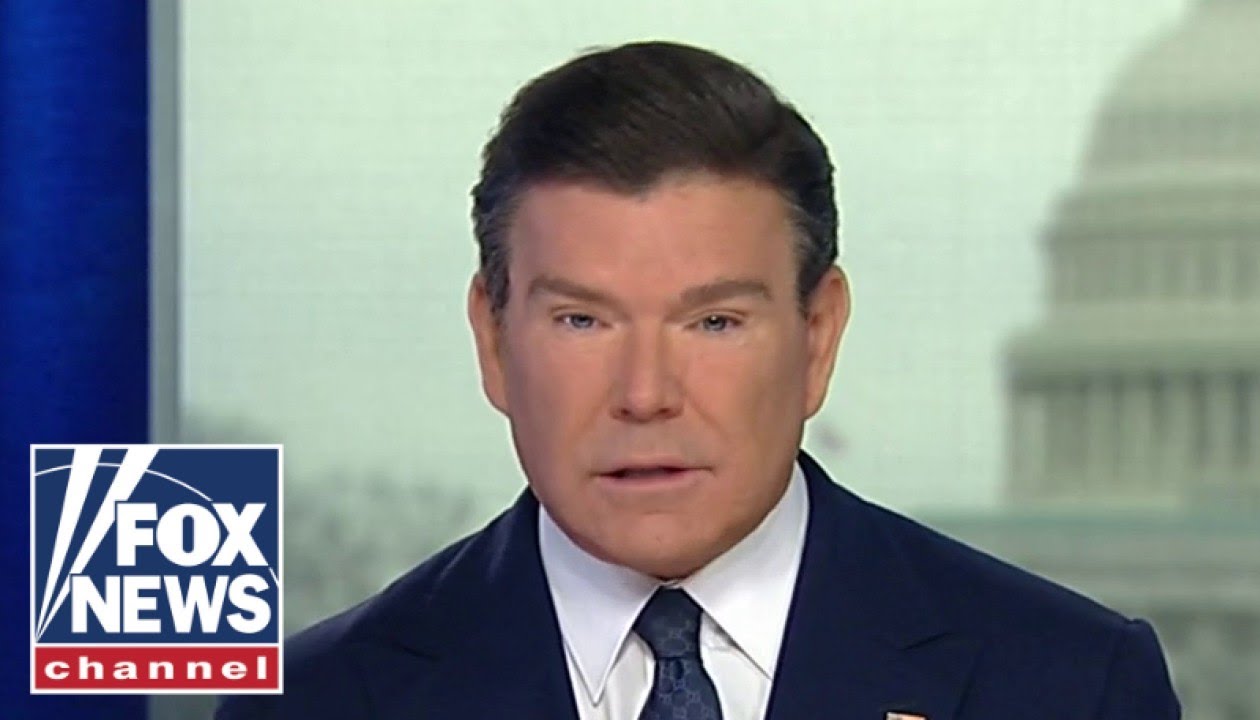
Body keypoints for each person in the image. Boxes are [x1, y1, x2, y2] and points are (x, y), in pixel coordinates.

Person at [216, 40, 1180, 719]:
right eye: (583, 321)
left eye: (714, 322)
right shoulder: (321, 702)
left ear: (817, 336)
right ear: (494, 341)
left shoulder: (1071, 686)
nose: (646, 394)